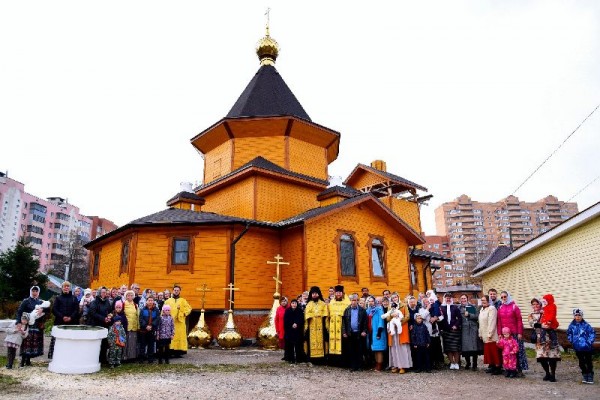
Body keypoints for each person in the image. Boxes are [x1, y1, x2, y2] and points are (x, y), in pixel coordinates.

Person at [497, 291, 528, 375]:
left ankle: (519, 369)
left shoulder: (515, 307)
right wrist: (499, 333)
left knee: (516, 351)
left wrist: (520, 332)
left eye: (505, 296)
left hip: (514, 333)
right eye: (502, 297)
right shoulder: (500, 308)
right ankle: (509, 369)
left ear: (508, 297)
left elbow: (519, 320)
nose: (504, 298)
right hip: (505, 334)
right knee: (507, 352)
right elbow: (499, 322)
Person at [16, 286, 47, 366]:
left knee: (33, 343)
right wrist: (18, 322)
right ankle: (23, 360)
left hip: (37, 325)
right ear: (31, 291)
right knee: (26, 342)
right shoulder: (26, 301)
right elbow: (19, 312)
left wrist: (43, 310)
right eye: (33, 291)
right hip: (27, 324)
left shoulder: (40, 301)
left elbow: (47, 309)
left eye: (36, 291)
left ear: (38, 292)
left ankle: (28, 360)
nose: (34, 293)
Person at [49, 281, 80, 359]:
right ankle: (56, 357)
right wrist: (62, 317)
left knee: (69, 341)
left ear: (70, 288)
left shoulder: (74, 298)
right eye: (65, 286)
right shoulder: (58, 298)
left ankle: (69, 357)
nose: (66, 288)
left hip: (71, 323)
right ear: (62, 288)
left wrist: (71, 317)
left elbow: (77, 310)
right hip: (59, 322)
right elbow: (54, 310)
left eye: (68, 286)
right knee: (58, 341)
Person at [567, 308, 596, 384]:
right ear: (574, 316)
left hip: (587, 347)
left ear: (582, 316)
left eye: (579, 315)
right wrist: (572, 341)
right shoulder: (571, 326)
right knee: (581, 362)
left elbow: (592, 333)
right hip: (578, 347)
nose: (578, 317)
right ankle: (584, 374)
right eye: (576, 315)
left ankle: (590, 375)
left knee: (588, 361)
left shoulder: (586, 325)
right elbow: (569, 334)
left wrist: (589, 342)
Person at [164, 285, 192, 357]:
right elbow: (163, 310)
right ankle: (169, 351)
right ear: (173, 291)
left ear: (179, 291)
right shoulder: (168, 301)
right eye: (175, 290)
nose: (176, 291)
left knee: (179, 336)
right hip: (170, 321)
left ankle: (178, 352)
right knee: (170, 336)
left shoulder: (183, 300)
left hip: (179, 322)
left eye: (177, 290)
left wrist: (182, 313)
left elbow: (188, 309)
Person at [342, 294, 367, 371]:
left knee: (359, 350)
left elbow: (365, 322)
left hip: (359, 333)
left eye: (355, 300)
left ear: (357, 301)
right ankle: (353, 366)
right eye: (352, 300)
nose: (353, 302)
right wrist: (344, 332)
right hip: (350, 333)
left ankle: (359, 366)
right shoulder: (347, 310)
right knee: (351, 350)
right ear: (350, 301)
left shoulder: (362, 310)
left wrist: (364, 331)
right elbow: (344, 322)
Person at [88, 287, 113, 364]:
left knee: (104, 343)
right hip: (96, 325)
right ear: (99, 293)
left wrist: (109, 317)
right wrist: (103, 318)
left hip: (105, 325)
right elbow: (93, 313)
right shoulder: (94, 302)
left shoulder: (107, 302)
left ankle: (103, 359)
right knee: (96, 343)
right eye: (102, 292)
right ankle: (94, 359)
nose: (104, 294)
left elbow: (110, 311)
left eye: (105, 292)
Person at [304, 286, 328, 364]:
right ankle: (311, 359)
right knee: (311, 342)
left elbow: (325, 314)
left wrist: (318, 315)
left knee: (322, 341)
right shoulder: (309, 304)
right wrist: (313, 315)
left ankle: (322, 359)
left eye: (316, 293)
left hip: (321, 325)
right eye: (313, 294)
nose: (314, 295)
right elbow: (307, 314)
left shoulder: (323, 304)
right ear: (311, 295)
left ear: (318, 294)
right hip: (311, 326)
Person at [478, 295, 502, 375]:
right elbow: (480, 323)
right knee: (489, 352)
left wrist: (490, 333)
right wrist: (480, 333)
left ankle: (498, 368)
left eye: (484, 300)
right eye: (482, 300)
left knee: (494, 352)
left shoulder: (492, 308)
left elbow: (492, 322)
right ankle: (492, 366)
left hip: (491, 334)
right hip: (484, 334)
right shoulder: (482, 309)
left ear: (488, 301)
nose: (483, 302)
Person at [459, 294, 482, 370]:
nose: (463, 300)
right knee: (465, 347)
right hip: (464, 329)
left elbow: (476, 316)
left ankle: (474, 364)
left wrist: (469, 314)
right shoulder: (459, 308)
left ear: (467, 299)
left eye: (464, 298)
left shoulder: (471, 307)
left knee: (474, 346)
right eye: (462, 298)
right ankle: (468, 363)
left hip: (472, 328)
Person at [328, 285, 350, 365]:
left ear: (342, 293)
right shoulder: (331, 302)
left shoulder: (347, 302)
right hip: (333, 327)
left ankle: (344, 362)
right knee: (333, 343)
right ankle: (334, 362)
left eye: (339, 292)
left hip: (342, 327)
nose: (338, 294)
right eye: (337, 292)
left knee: (343, 344)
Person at [440, 293, 462, 369]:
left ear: (451, 299)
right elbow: (440, 319)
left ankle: (456, 363)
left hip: (454, 331)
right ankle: (452, 363)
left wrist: (456, 325)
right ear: (444, 299)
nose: (448, 299)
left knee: (455, 348)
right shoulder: (441, 308)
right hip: (446, 331)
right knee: (449, 349)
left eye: (449, 298)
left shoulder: (455, 307)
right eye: (447, 298)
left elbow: (459, 318)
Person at [138, 296, 160, 363]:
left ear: (153, 301)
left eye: (151, 300)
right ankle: (141, 359)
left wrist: (151, 326)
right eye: (149, 300)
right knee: (142, 345)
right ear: (146, 301)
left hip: (152, 330)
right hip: (144, 330)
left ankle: (150, 359)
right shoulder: (143, 309)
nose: (150, 302)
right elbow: (141, 319)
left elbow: (157, 319)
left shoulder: (156, 310)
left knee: (151, 345)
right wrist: (146, 326)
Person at [283, 298, 305, 364]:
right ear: (291, 304)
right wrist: (291, 324)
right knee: (290, 346)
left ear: (297, 304)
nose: (294, 304)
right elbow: (286, 320)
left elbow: (301, 319)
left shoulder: (300, 310)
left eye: (295, 303)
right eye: (293, 303)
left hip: (298, 331)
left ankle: (299, 359)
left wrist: (296, 323)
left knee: (298, 345)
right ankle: (290, 358)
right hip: (290, 331)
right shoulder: (288, 311)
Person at [368, 297, 386, 371]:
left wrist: (379, 333)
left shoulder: (379, 310)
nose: (371, 302)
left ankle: (379, 366)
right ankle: (376, 364)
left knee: (379, 350)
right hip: (372, 333)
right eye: (369, 301)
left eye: (372, 301)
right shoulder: (369, 311)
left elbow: (380, 322)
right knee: (375, 349)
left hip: (378, 332)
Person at [122, 290, 139, 361]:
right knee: (126, 342)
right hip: (127, 326)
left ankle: (131, 357)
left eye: (131, 295)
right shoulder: (124, 304)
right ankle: (124, 357)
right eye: (128, 295)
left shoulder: (135, 305)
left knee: (132, 342)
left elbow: (137, 315)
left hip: (134, 326)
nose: (130, 297)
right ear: (126, 296)